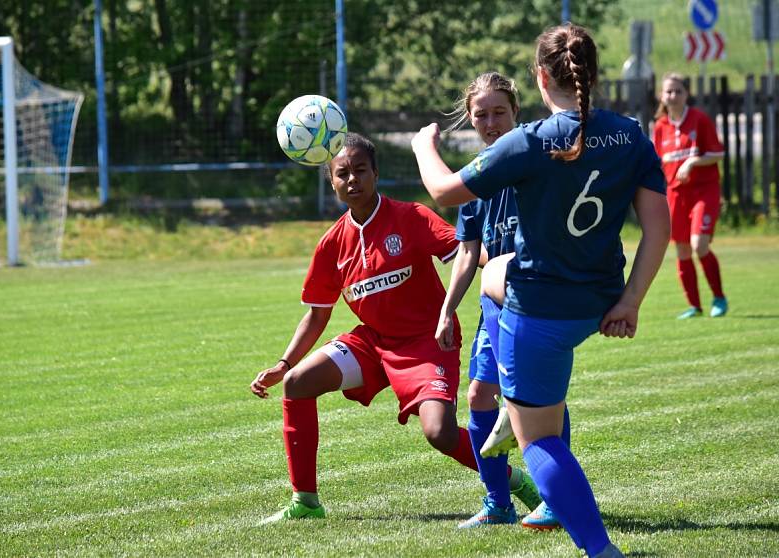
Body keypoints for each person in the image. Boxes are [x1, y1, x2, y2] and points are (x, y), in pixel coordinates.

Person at [411, 23, 670, 558]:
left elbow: (441, 190)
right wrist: (631, 301)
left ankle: (601, 550)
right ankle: (511, 393)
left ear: (538, 76)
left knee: (540, 442)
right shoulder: (631, 133)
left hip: (541, 314)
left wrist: (422, 146)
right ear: (591, 75)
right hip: (599, 303)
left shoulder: (530, 141)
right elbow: (658, 228)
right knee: (492, 272)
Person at [250, 132, 537, 524]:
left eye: (360, 171)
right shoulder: (332, 244)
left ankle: (510, 479)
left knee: (440, 433)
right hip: (373, 342)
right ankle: (305, 502)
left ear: (376, 173)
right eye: (342, 174)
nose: (352, 180)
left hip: (427, 341)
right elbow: (317, 314)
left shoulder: (412, 217)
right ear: (331, 183)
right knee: (298, 383)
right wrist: (284, 364)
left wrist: (509, 263)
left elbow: (466, 251)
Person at [436, 71, 556, 529]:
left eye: (498, 112)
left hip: (532, 297)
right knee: (479, 394)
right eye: (480, 114)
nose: (490, 122)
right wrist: (448, 309)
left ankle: (552, 498)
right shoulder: (475, 177)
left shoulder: (535, 161)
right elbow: (467, 251)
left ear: (516, 113)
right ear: (470, 120)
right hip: (491, 304)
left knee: (532, 401)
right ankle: (498, 502)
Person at [653, 72, 728, 319]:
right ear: (661, 96)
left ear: (687, 94)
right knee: (683, 250)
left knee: (699, 244)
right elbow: (656, 163)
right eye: (669, 91)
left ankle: (719, 298)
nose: (673, 96)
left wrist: (694, 162)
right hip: (676, 194)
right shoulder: (661, 127)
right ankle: (694, 306)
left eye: (678, 91)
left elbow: (718, 154)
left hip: (704, 191)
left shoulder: (699, 120)